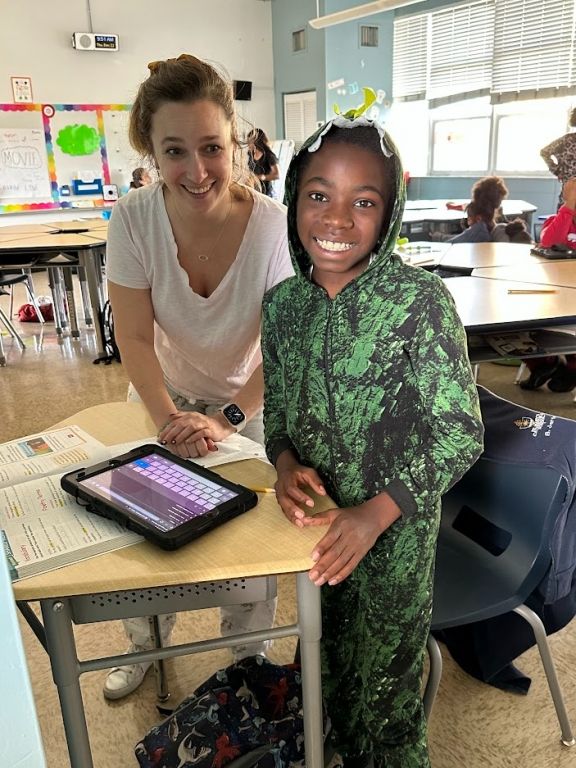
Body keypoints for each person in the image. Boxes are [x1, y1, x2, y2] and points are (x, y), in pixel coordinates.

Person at [261, 106, 484, 767]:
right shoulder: (283, 308)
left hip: (395, 543)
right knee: (322, 678)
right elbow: (277, 413)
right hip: (316, 536)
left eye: (363, 201)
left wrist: (374, 514)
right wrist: (284, 462)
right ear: (294, 197)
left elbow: (460, 431)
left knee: (385, 700)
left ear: (389, 212)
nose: (336, 220)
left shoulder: (419, 303)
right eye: (318, 196)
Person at [105, 54, 293, 701]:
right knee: (144, 525)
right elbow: (132, 336)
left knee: (250, 535)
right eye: (174, 151)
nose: (196, 171)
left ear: (236, 141)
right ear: (150, 151)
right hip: (163, 392)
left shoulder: (270, 225)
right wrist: (168, 419)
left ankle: (246, 657)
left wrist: (228, 419)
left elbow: (284, 345)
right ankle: (146, 644)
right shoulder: (133, 219)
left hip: (245, 398)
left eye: (212, 148)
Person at [519, 176, 576, 392]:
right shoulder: (556, 219)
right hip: (553, 292)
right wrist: (568, 208)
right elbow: (549, 242)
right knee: (524, 320)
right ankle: (544, 364)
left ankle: (571, 368)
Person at [448, 176, 530, 244]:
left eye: (469, 219)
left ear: (478, 218)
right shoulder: (502, 227)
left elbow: (451, 242)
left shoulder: (480, 231)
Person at [540, 108, 576, 204]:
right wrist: (557, 170)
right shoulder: (566, 140)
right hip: (568, 198)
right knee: (565, 218)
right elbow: (544, 152)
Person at [247, 127, 279, 197]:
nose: (248, 143)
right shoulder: (250, 154)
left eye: (250, 140)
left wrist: (263, 177)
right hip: (254, 191)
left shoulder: (269, 155)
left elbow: (277, 175)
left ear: (256, 141)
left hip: (266, 193)